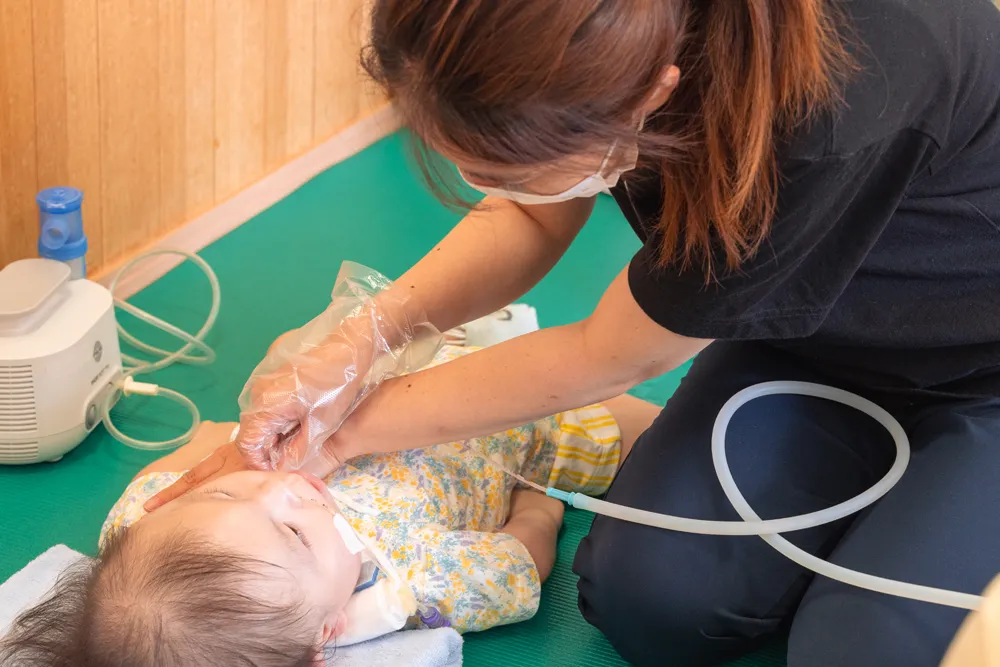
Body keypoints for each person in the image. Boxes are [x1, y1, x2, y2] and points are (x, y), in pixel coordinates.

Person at [148, 1, 1000, 666]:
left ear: (653, 91)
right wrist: (363, 339)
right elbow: (530, 210)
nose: (485, 184)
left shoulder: (833, 107)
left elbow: (606, 354)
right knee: (649, 600)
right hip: (810, 335)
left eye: (504, 167)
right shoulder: (589, 42)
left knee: (866, 650)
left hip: (980, 367)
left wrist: (337, 434)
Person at [1, 346, 656, 667]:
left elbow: (177, 471)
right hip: (524, 421)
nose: (281, 488)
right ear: (328, 633)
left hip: (383, 375)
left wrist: (229, 457)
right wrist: (536, 500)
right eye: (294, 533)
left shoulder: (146, 531)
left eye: (228, 494)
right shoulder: (418, 580)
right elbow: (518, 561)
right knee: (642, 430)